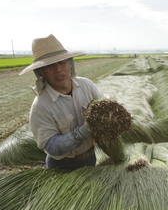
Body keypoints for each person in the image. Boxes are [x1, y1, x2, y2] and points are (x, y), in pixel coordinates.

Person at [19, 34, 107, 170]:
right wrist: (85, 130)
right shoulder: (40, 107)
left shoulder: (86, 85)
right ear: (41, 72)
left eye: (61, 62)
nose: (58, 69)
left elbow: (103, 104)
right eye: (50, 66)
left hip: (90, 157)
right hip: (62, 167)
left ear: (69, 64)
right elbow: (52, 147)